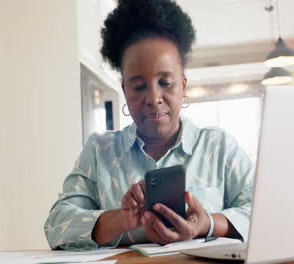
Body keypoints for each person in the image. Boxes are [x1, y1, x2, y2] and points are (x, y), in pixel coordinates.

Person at [44, 0, 254, 250]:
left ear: (183, 86)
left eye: (165, 82)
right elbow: (57, 225)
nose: (153, 99)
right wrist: (123, 219)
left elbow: (266, 214)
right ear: (124, 90)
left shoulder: (219, 147)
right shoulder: (100, 151)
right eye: (138, 86)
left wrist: (207, 223)